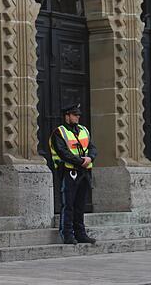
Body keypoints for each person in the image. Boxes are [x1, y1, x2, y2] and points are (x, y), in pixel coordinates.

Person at [48, 103, 97, 244]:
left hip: (84, 172)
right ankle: (67, 234)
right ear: (67, 116)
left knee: (80, 205)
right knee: (68, 204)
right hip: (69, 171)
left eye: (78, 115)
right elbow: (63, 152)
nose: (78, 117)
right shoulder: (59, 132)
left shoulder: (84, 130)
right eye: (75, 115)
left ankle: (81, 233)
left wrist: (90, 158)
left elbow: (92, 147)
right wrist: (81, 161)